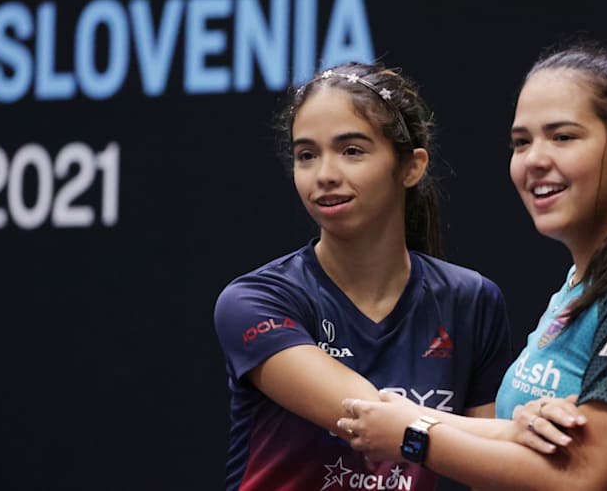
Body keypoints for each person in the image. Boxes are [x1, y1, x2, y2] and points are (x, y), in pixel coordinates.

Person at [337, 40, 607, 490]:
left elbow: (583, 476)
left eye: (563, 137)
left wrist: (414, 437)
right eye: (521, 142)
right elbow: (527, 444)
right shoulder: (584, 282)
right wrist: (413, 417)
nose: (534, 160)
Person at [213, 62, 513, 491]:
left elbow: (493, 471)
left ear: (411, 167)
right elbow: (371, 418)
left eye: (351, 150)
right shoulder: (255, 302)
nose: (325, 175)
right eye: (306, 155)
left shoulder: (471, 300)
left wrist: (525, 435)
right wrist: (521, 433)